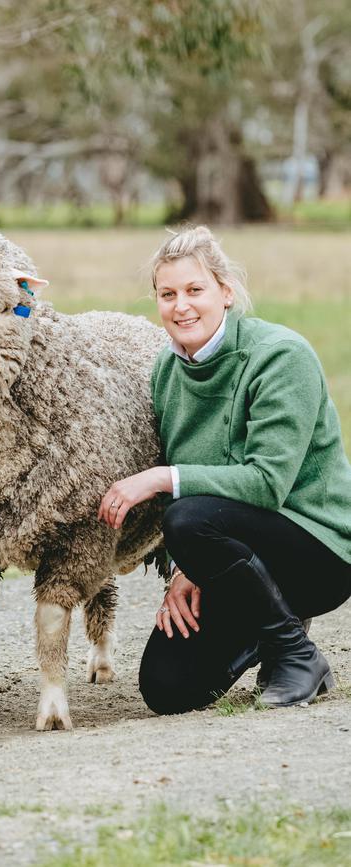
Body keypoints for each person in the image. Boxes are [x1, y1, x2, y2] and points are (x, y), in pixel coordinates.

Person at [99, 225, 351, 714]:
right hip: (234, 545)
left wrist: (159, 479)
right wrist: (183, 567)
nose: (182, 306)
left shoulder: (280, 356)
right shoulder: (168, 371)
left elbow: (266, 483)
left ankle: (295, 653)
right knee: (168, 688)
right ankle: (279, 630)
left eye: (196, 290)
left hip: (319, 550)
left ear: (226, 293)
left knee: (188, 517)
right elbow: (195, 498)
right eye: (167, 294)